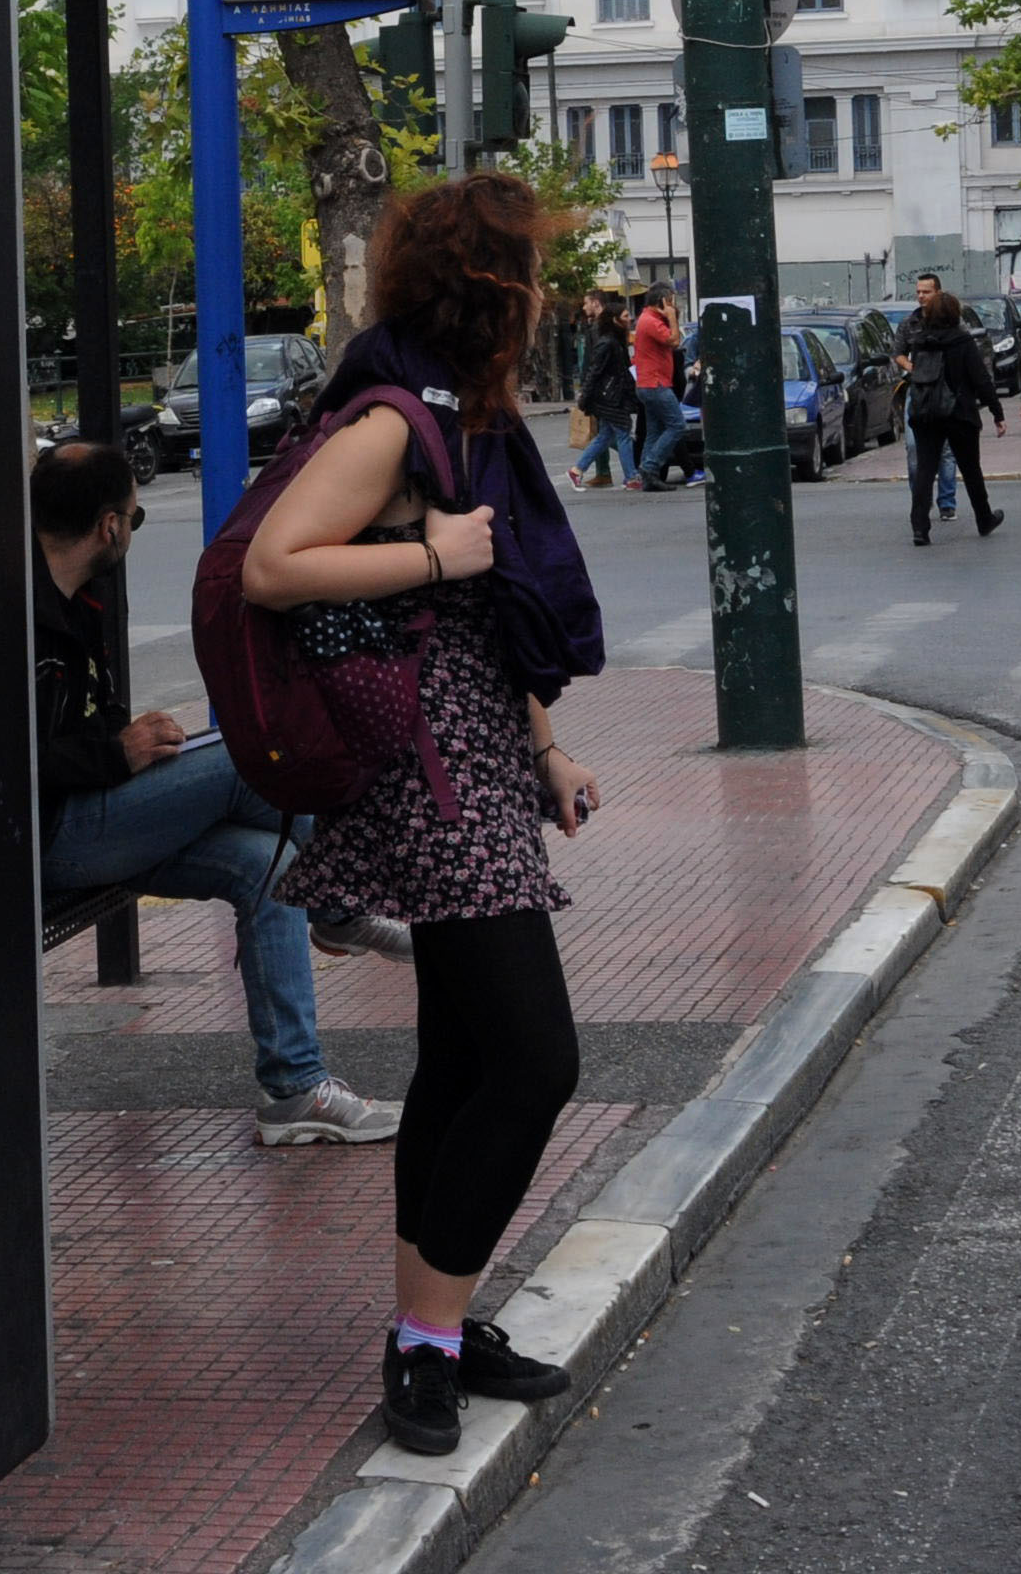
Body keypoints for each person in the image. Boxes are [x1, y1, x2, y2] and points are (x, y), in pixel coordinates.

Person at [247, 173, 605, 1461]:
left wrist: (547, 748)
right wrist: (431, 554)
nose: (545, 295)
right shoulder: (396, 418)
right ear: (492, 287)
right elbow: (274, 564)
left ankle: (436, 1320)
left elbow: (497, 612)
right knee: (532, 1062)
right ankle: (423, 1345)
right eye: (532, 273)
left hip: (481, 764)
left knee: (462, 1066)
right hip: (429, 779)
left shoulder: (469, 415)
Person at [30, 439, 407, 1144]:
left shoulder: (82, 594)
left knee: (270, 865)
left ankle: (295, 1088)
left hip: (92, 813)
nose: (132, 534)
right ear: (109, 526)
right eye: (135, 521)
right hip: (46, 835)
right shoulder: (12, 613)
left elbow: (87, 715)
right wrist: (115, 754)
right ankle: (338, 907)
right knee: (248, 759)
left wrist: (131, 737)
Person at [897, 277, 1005, 548]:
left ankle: (920, 527)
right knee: (970, 469)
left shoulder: (921, 341)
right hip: (960, 413)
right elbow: (981, 379)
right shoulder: (962, 341)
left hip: (926, 412)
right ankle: (984, 517)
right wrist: (996, 411)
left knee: (925, 469)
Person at [629, 285, 696, 489]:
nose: (674, 306)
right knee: (677, 425)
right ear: (662, 302)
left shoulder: (649, 320)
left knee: (654, 431)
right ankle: (649, 467)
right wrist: (672, 317)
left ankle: (649, 477)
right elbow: (675, 340)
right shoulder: (650, 321)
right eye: (671, 302)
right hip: (655, 384)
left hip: (651, 383)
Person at [569, 295, 638, 489]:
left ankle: (577, 470)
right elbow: (595, 370)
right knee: (623, 432)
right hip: (610, 397)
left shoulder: (615, 341)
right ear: (615, 319)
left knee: (605, 435)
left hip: (611, 395)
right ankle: (632, 476)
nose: (629, 319)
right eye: (625, 316)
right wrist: (585, 395)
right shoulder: (608, 343)